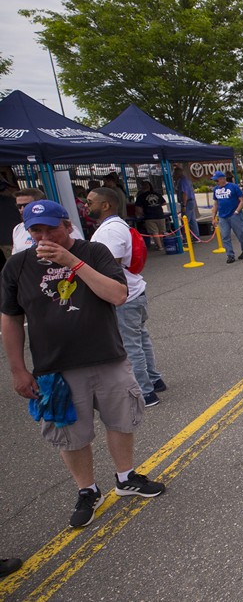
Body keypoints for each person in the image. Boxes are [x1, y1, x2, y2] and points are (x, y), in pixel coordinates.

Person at [1, 200, 166, 529]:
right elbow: (10, 319)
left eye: (52, 228)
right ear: (28, 232)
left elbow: (117, 295)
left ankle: (125, 476)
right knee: (71, 435)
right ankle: (87, 490)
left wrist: (72, 262)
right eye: (37, 230)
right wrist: (18, 368)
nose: (45, 236)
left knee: (121, 420)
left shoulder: (95, 253)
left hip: (107, 356)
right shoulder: (17, 266)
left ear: (68, 225)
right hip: (55, 366)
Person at [86, 187, 167, 407]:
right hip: (134, 292)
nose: (86, 205)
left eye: (90, 201)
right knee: (141, 340)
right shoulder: (118, 226)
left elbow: (110, 266)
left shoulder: (109, 231)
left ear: (105, 205)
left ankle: (145, 392)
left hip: (125, 298)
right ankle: (154, 380)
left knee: (131, 346)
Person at [11, 188, 84, 254]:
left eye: (26, 205)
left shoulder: (62, 227)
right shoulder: (18, 229)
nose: (22, 209)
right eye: (19, 206)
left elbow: (79, 251)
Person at [210, 171, 243, 264]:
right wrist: (213, 217)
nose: (216, 182)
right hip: (222, 216)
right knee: (225, 236)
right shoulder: (216, 189)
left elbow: (242, 200)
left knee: (240, 234)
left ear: (222, 179)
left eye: (217, 180)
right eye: (215, 181)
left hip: (234, 214)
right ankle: (230, 255)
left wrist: (237, 211)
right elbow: (216, 204)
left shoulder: (233, 187)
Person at [135, 181, 166, 250]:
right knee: (161, 231)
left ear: (142, 187)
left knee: (154, 232)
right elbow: (164, 202)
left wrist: (141, 214)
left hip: (149, 216)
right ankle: (160, 243)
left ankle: (160, 246)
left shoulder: (141, 197)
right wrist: (156, 206)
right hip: (160, 215)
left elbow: (138, 208)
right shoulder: (157, 194)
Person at [173, 167, 200, 233]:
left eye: (175, 173)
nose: (174, 175)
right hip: (190, 201)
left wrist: (184, 205)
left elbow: (185, 193)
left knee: (185, 220)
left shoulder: (183, 181)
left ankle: (186, 236)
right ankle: (196, 235)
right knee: (192, 220)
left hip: (187, 202)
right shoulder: (185, 180)